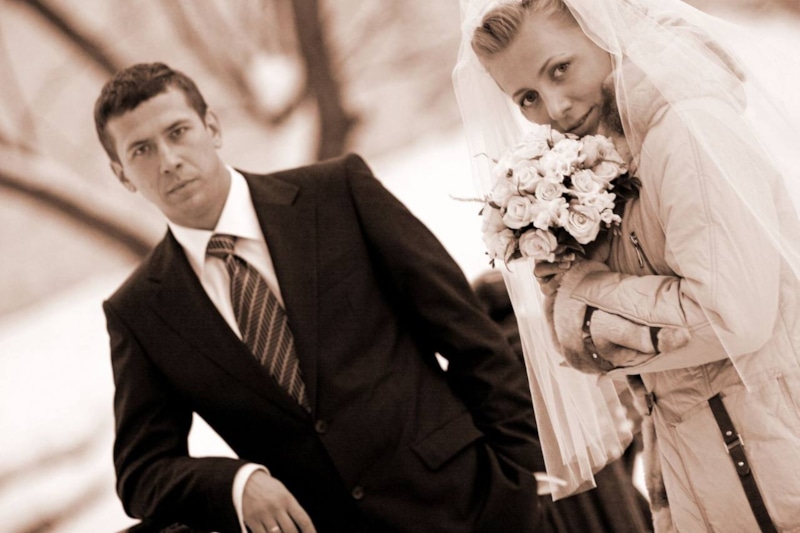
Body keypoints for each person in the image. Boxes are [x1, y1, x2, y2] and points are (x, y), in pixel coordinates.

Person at [95, 62, 547, 533]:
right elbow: (141, 472)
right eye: (141, 150)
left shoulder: (337, 192)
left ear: (212, 127)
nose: (168, 159)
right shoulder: (139, 312)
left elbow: (470, 336)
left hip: (470, 504)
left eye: (178, 132)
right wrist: (236, 484)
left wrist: (521, 477)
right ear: (122, 174)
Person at [454, 0, 800, 531]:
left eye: (559, 69)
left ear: (603, 32)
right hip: (713, 479)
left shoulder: (685, 130)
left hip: (776, 472)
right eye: (527, 98)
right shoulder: (613, 160)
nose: (554, 107)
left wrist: (580, 299)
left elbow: (730, 316)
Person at [473, 269, 653, 533]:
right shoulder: (558, 342)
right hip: (602, 467)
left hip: (553, 481)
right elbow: (621, 404)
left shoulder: (490, 364)